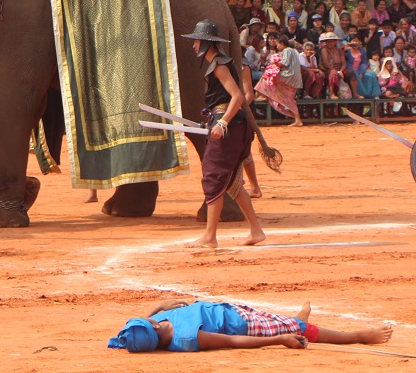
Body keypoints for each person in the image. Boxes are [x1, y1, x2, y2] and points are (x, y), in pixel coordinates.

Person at [181, 19, 265, 248]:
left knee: (214, 176)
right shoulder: (215, 64)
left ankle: (210, 236)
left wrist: (223, 123)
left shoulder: (218, 65)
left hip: (229, 126)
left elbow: (237, 97)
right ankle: (256, 230)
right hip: (228, 123)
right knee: (232, 182)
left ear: (207, 43)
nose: (194, 45)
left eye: (197, 41)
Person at [108, 297, 392, 353]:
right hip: (243, 327)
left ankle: (293, 321)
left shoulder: (155, 327)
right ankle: (359, 336)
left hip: (230, 310)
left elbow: (145, 321)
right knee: (298, 330)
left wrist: (160, 306)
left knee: (280, 320)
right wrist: (278, 340)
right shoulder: (187, 338)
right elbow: (231, 341)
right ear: (154, 330)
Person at [254, 33, 303, 127]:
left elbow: (285, 63)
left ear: (282, 44)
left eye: (277, 44)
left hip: (288, 76)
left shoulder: (287, 50)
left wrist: (273, 63)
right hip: (294, 79)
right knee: (289, 98)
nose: (277, 46)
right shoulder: (293, 50)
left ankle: (261, 94)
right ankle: (298, 120)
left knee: (266, 76)